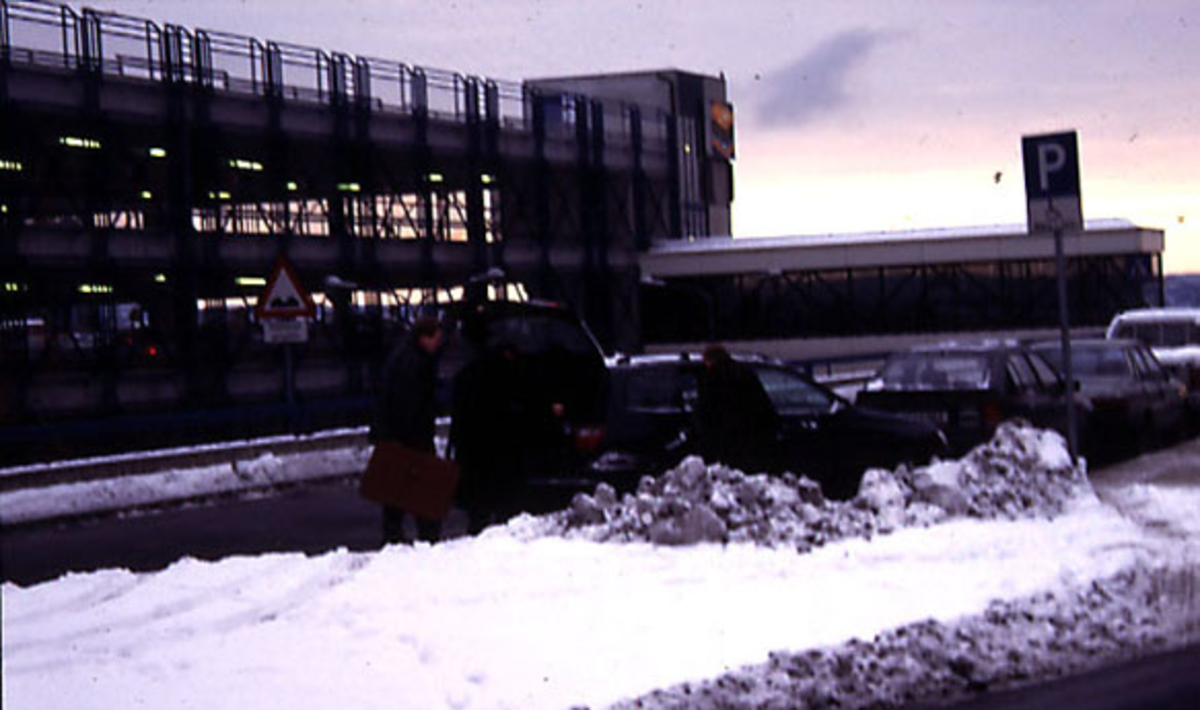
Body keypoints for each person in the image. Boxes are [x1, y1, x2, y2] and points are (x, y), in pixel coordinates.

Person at [370, 316, 445, 544]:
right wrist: (420, 439)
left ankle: (394, 538)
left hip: (395, 435)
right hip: (410, 437)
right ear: (425, 337)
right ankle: (427, 539)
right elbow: (411, 404)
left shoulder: (402, 356)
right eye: (436, 339)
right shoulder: (415, 362)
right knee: (424, 492)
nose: (438, 344)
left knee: (396, 493)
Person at [449, 339, 527, 534]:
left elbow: (459, 412)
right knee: (501, 498)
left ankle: (477, 530)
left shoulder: (468, 375)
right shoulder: (507, 375)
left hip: (472, 446)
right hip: (497, 446)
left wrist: (454, 441)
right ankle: (499, 529)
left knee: (477, 502)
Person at [694, 344, 778, 473]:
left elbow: (705, 413)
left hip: (724, 442)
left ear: (710, 360)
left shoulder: (710, 379)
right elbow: (763, 406)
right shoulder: (744, 373)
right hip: (750, 439)